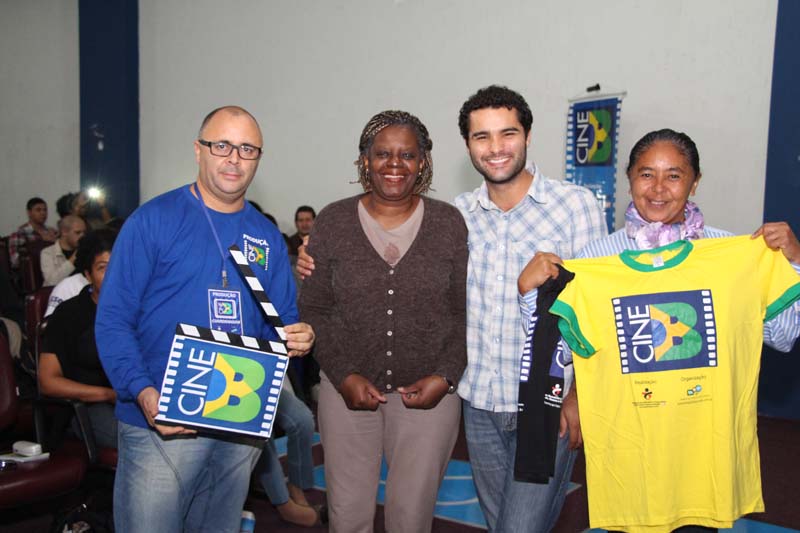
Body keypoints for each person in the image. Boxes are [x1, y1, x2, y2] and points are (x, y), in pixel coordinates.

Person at [296, 87, 606, 532]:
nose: (495, 147)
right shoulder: (460, 215)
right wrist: (310, 256)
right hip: (481, 402)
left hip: (546, 400)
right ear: (467, 145)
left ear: (527, 135)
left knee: (518, 527)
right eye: (482, 136)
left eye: (507, 133)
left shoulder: (574, 206)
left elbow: (597, 306)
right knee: (499, 523)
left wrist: (580, 395)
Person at [524, 129, 800, 532]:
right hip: (631, 455)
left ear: (694, 182)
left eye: (673, 175)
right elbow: (563, 347)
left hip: (701, 458)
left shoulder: (731, 253)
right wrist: (532, 294)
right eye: (646, 174)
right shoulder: (597, 260)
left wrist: (794, 262)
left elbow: (784, 335)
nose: (658, 188)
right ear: (629, 179)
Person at [95, 105, 315, 533]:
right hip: (162, 422)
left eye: (247, 149)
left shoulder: (266, 236)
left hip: (240, 418)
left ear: (258, 158)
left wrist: (299, 336)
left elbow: (282, 322)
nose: (234, 158)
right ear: (199, 150)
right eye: (222, 145)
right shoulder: (152, 221)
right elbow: (113, 320)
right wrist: (142, 392)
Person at [299, 110, 468, 533]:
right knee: (347, 517)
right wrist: (343, 375)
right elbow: (315, 309)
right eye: (382, 154)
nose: (395, 164)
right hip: (347, 393)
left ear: (423, 162)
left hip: (428, 397)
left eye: (407, 155)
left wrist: (446, 376)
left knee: (411, 519)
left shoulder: (449, 223)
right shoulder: (333, 221)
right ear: (364, 160)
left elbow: (465, 311)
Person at [39, 229, 117, 448]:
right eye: (102, 268)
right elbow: (47, 382)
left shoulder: (140, 309)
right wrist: (107, 394)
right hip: (88, 406)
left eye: (118, 265)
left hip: (139, 398)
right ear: (87, 275)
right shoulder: (70, 314)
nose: (113, 274)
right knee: (140, 439)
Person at [253, 386, 325, 527]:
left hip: (258, 381)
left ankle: (297, 486)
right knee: (262, 428)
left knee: (303, 420)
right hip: (226, 387)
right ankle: (284, 504)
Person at [8, 197, 58, 269]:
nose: (43, 213)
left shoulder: (52, 232)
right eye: (38, 210)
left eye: (45, 210)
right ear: (29, 213)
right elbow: (15, 262)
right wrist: (42, 243)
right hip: (33, 272)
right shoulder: (19, 234)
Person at [40, 215, 86, 286]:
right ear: (64, 232)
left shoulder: (86, 249)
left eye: (84, 232)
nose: (82, 236)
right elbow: (51, 282)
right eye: (77, 232)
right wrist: (73, 259)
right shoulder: (48, 253)